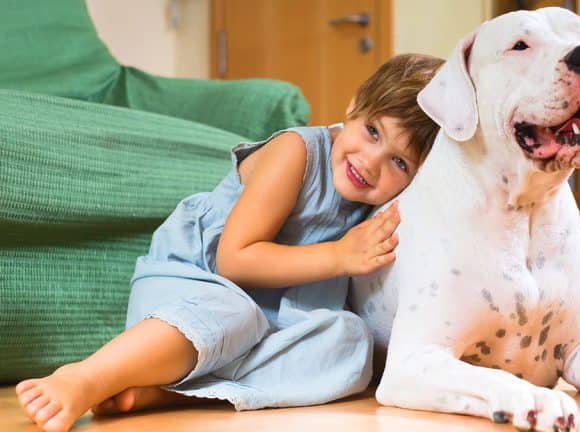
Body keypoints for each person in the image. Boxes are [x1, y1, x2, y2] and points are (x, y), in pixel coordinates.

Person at [15, 53, 445, 432]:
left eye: (399, 161)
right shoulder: (297, 152)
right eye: (372, 131)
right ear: (353, 106)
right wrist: (339, 255)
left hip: (268, 319)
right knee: (233, 310)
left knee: (349, 344)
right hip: (192, 289)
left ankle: (176, 395)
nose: (370, 162)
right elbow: (234, 261)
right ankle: (88, 376)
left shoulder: (376, 203)